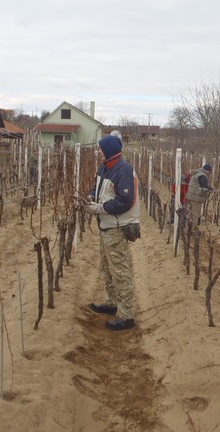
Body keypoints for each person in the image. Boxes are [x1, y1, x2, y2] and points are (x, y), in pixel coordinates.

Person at [84, 134, 140, 331]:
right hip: (106, 226)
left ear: (108, 150)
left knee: (120, 271)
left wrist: (99, 208)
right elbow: (97, 188)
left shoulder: (123, 169)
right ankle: (112, 303)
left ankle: (127, 315)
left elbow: (125, 201)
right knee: (107, 268)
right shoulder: (105, 167)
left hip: (117, 227)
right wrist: (90, 196)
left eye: (100, 149)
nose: (98, 152)